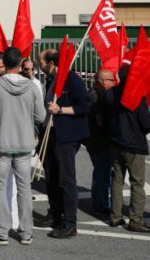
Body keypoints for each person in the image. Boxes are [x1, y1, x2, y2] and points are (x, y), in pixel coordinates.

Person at [0, 47, 46, 246]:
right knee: (24, 188)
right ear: (20, 64)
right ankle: (26, 232)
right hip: (24, 144)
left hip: (1, 143)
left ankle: (1, 232)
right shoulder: (32, 86)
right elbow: (41, 116)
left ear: (4, 63)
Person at [38, 48, 91, 239]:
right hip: (50, 134)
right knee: (51, 177)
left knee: (66, 179)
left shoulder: (72, 79)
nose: (39, 66)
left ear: (51, 64)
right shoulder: (51, 79)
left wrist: (61, 109)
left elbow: (86, 106)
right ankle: (56, 214)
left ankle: (70, 223)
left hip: (66, 136)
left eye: (41, 63)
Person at [103, 65, 150, 232]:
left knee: (117, 180)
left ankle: (115, 216)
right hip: (133, 143)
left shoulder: (110, 93)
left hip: (115, 141)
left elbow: (105, 118)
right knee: (137, 183)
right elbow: (146, 122)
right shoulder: (136, 93)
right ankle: (135, 219)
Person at [84, 68, 117, 217]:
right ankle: (100, 204)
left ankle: (102, 202)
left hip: (93, 139)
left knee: (102, 172)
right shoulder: (100, 95)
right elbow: (100, 120)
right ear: (104, 81)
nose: (114, 82)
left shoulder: (92, 93)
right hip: (100, 140)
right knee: (102, 173)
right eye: (112, 80)